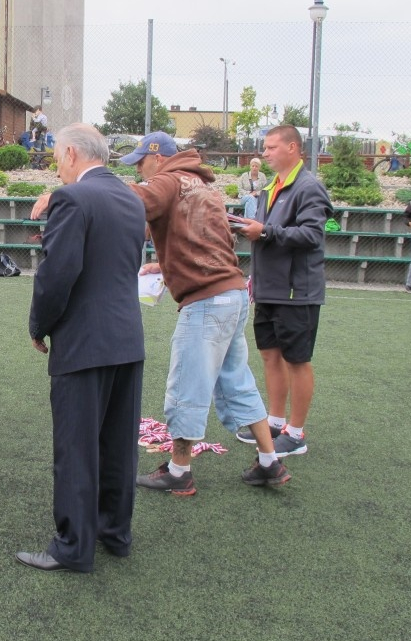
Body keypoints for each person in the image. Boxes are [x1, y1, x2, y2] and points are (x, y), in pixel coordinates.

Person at [115, 132, 290, 496]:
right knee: (237, 381)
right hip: (232, 294)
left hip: (206, 302)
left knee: (186, 387)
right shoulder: (203, 185)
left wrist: (78, 191)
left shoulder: (166, 180)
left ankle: (179, 472)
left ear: (158, 157)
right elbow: (206, 241)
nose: (138, 173)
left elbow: (133, 200)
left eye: (141, 163)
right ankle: (270, 462)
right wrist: (164, 267)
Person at [17, 123, 146, 573]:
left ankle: (73, 547)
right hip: (127, 339)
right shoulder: (130, 196)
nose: (56, 163)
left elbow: (58, 275)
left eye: (56, 155)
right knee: (117, 444)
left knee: (76, 447)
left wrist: (39, 325)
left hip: (85, 341)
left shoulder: (72, 199)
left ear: (71, 153)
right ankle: (115, 533)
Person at [236, 125, 333, 458]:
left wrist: (265, 232)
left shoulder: (309, 187)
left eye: (272, 147)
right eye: (265, 147)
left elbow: (310, 236)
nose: (264, 153)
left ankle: (296, 432)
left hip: (296, 292)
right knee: (270, 356)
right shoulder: (270, 187)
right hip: (268, 289)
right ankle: (275, 423)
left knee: (297, 360)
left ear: (293, 148)